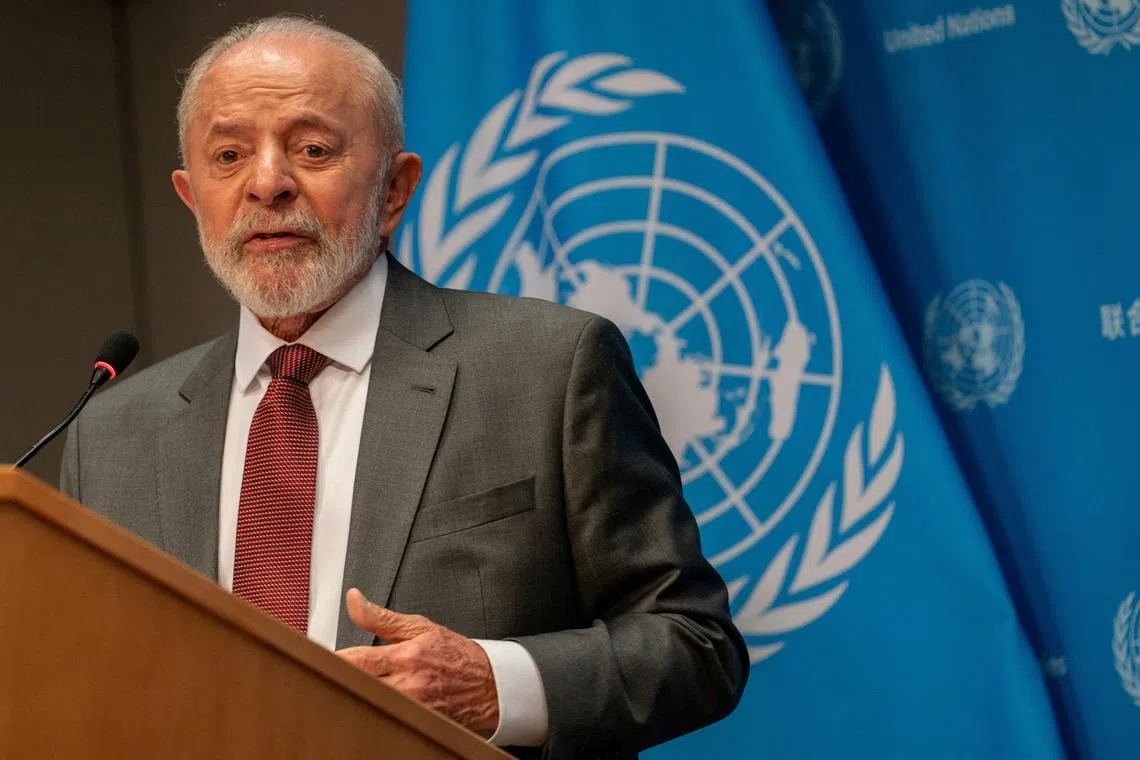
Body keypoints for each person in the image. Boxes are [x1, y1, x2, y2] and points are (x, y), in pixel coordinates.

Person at [60, 15, 747, 759]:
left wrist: (494, 684)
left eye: (313, 149)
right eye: (229, 155)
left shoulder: (549, 368)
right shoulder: (114, 435)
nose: (267, 182)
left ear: (395, 188)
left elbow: (695, 643)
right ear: (193, 198)